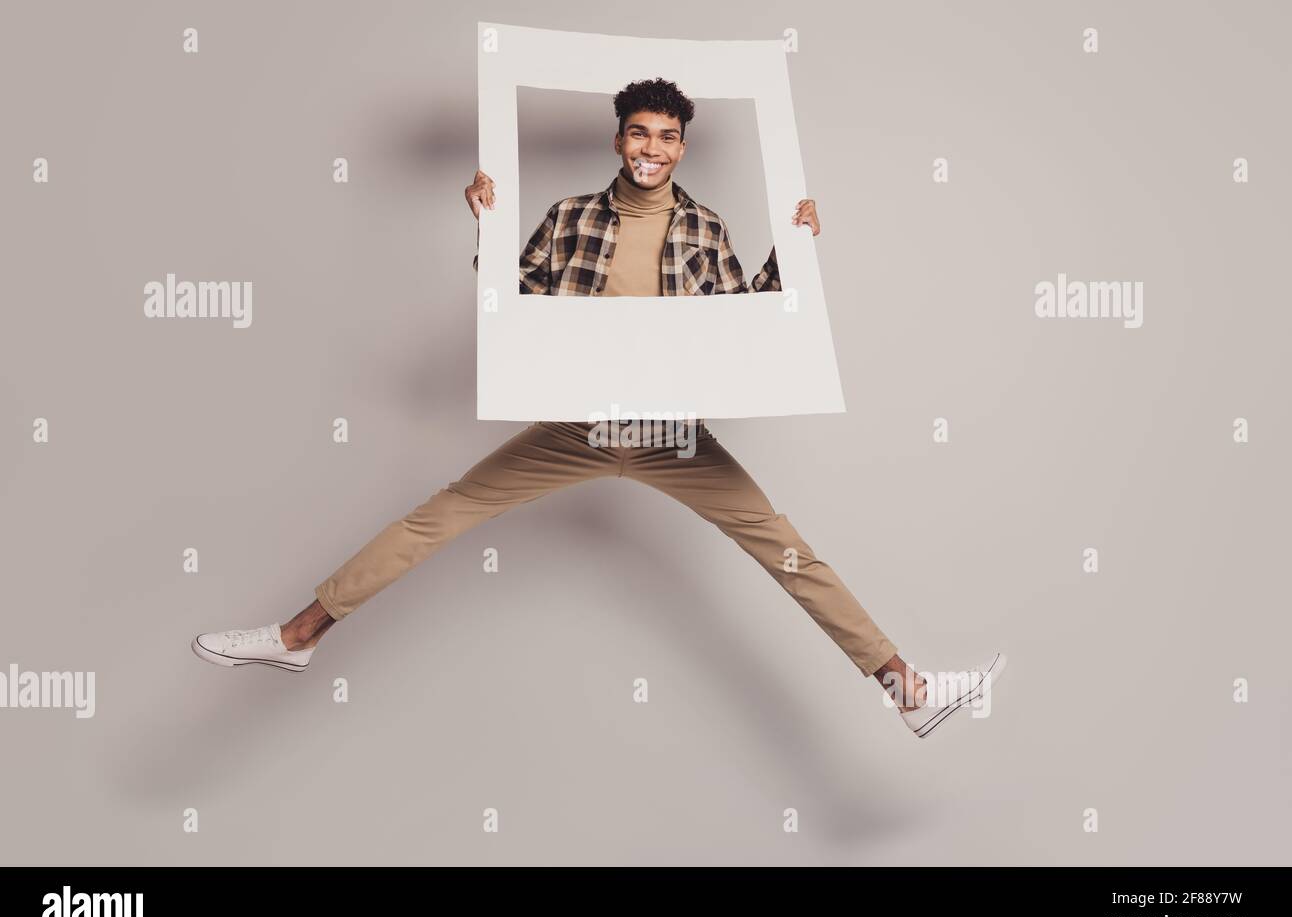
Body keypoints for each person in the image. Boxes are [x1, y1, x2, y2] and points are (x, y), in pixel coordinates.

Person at [192, 78, 1005, 739]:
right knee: (436, 517)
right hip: (580, 429)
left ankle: (908, 690)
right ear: (620, 138)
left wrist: (792, 252)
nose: (653, 148)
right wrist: (484, 228)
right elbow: (510, 307)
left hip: (669, 436)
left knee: (787, 551)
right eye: (640, 133)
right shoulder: (570, 218)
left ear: (681, 147)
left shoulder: (703, 227)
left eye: (668, 137)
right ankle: (298, 637)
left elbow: (743, 324)